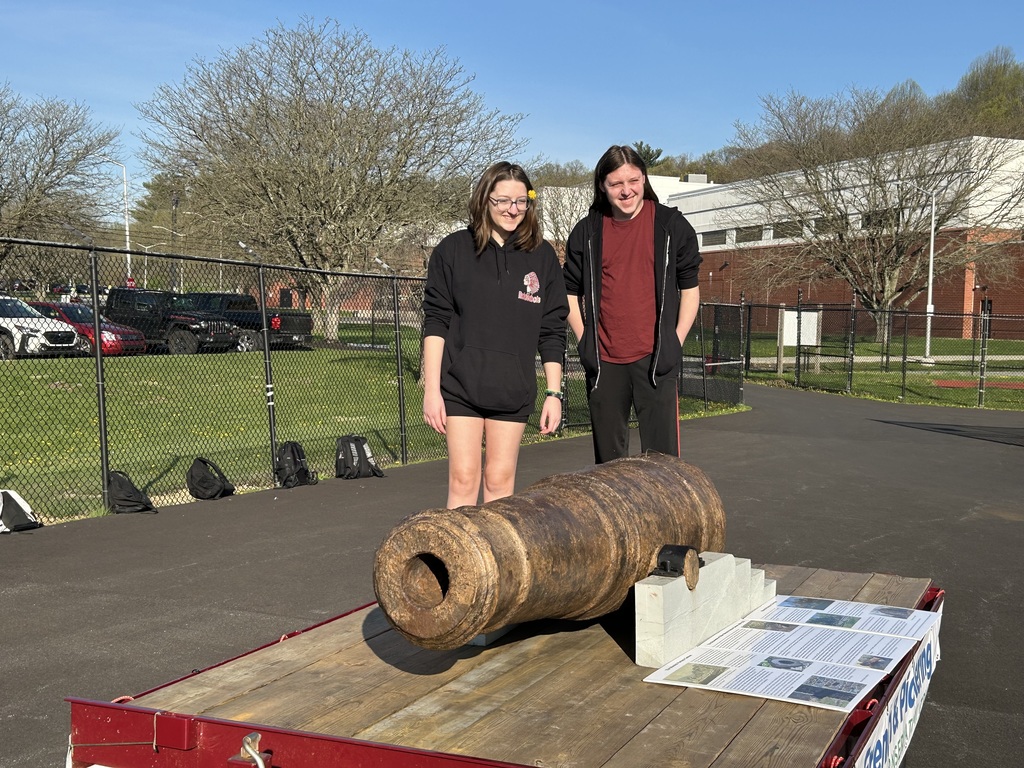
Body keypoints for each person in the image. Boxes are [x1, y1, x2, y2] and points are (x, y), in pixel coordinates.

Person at [422, 162, 568, 508]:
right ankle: (459, 562)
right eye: (502, 200)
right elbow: (436, 322)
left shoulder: (543, 257)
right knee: (463, 478)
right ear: (484, 199)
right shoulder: (453, 250)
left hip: (512, 389)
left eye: (521, 201)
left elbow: (552, 329)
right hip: (461, 387)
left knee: (500, 482)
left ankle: (494, 563)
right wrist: (431, 391)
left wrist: (554, 392)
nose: (512, 210)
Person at [563, 145, 702, 464]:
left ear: (644, 178)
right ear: (602, 186)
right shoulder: (587, 232)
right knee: (609, 466)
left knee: (663, 464)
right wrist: (586, 340)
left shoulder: (672, 227)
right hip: (605, 362)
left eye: (633, 180)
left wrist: (675, 341)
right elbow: (568, 292)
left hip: (655, 359)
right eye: (616, 183)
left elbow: (690, 290)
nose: (626, 190)